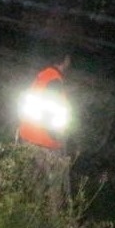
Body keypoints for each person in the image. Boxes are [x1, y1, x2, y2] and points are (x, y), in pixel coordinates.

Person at [16, 54, 74, 212]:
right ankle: (54, 227)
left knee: (31, 184)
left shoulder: (40, 77)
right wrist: (59, 139)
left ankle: (25, 217)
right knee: (56, 189)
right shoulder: (55, 83)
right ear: (66, 61)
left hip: (27, 136)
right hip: (46, 143)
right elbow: (53, 118)